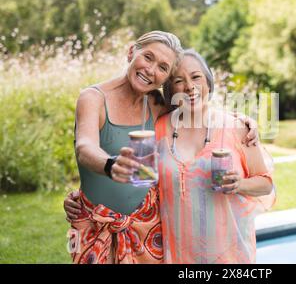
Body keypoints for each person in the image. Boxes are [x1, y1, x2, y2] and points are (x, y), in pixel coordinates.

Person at [65, 32, 258, 264]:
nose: (150, 69)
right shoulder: (93, 98)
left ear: (165, 78)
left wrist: (237, 119)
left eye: (163, 67)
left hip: (148, 226)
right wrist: (110, 165)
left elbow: (196, 105)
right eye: (148, 57)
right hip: (97, 223)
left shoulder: (156, 104)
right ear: (130, 52)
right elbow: (84, 147)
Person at [102, 49, 275, 263]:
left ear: (208, 83)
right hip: (178, 256)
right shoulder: (158, 130)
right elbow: (134, 182)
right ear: (170, 89)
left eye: (196, 77)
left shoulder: (237, 128)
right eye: (179, 81)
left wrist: (239, 184)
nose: (189, 87)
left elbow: (265, 183)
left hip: (231, 256)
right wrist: (84, 200)